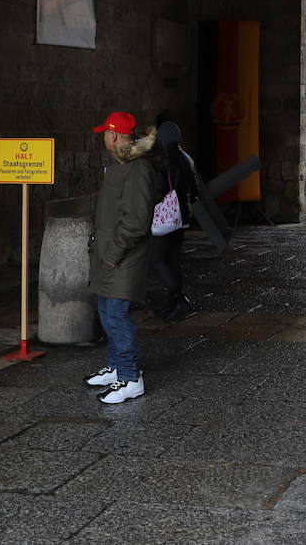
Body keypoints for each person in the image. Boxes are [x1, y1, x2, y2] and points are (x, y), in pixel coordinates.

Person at [85, 111, 158, 404]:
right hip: (110, 255)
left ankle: (130, 377)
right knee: (106, 311)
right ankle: (116, 368)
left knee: (117, 316)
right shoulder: (120, 164)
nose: (103, 136)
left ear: (114, 135)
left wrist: (113, 253)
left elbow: (137, 221)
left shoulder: (136, 168)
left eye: (105, 132)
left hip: (122, 257)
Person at [152, 112, 199, 322]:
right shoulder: (186, 158)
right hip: (182, 216)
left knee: (159, 260)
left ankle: (178, 299)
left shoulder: (163, 160)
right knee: (173, 259)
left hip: (166, 216)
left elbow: (159, 190)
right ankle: (171, 303)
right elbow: (194, 190)